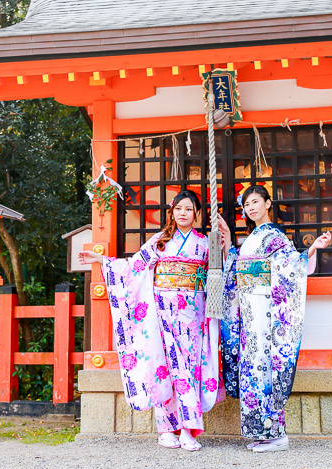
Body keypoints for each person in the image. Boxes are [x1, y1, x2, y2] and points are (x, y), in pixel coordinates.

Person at [79, 190, 224, 451]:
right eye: (178, 208)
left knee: (189, 368)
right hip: (162, 312)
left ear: (197, 213)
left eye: (189, 209)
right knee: (163, 367)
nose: (183, 213)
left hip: (193, 314)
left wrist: (223, 242)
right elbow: (133, 267)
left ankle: (189, 429)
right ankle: (167, 428)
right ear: (172, 211)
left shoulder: (204, 243)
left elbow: (218, 273)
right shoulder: (160, 241)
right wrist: (102, 260)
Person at [216, 185, 331, 452]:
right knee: (252, 369)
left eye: (256, 202)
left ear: (268, 204)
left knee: (265, 370)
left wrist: (313, 246)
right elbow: (236, 268)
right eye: (246, 205)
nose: (251, 208)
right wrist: (227, 236)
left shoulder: (275, 237)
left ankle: (277, 433)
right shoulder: (252, 237)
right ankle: (261, 431)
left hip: (266, 312)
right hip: (249, 312)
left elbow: (293, 265)